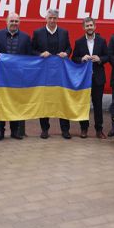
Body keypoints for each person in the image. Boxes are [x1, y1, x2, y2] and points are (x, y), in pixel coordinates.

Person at [32, 8, 73, 139]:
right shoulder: (38, 33)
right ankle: (45, 129)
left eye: (54, 18)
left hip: (60, 74)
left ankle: (65, 130)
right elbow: (32, 49)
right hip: (44, 74)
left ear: (57, 19)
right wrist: (40, 54)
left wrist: (66, 53)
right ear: (46, 18)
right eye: (50, 18)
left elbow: (69, 47)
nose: (52, 20)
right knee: (44, 100)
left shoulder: (64, 32)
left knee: (62, 100)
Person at [0, 12, 33, 140]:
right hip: (2, 77)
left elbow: (29, 57)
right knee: (2, 103)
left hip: (18, 78)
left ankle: (14, 131)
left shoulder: (26, 38)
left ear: (19, 23)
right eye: (12, 21)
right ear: (6, 22)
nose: (14, 23)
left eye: (16, 21)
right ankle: (0, 130)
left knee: (16, 104)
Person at [72, 17, 110, 139]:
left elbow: (107, 56)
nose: (89, 28)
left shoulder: (102, 40)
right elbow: (74, 58)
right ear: (84, 28)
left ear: (95, 26)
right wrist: (81, 59)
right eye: (87, 26)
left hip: (98, 78)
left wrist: (100, 59)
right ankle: (84, 129)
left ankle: (99, 130)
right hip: (84, 79)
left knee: (98, 105)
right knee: (84, 104)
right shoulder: (79, 42)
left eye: (91, 25)